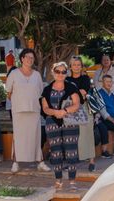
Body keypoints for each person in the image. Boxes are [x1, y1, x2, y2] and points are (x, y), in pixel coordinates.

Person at [6, 48, 49, 174]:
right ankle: (16, 162)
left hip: (34, 110)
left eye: (32, 57)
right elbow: (8, 92)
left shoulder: (37, 75)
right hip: (18, 111)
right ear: (22, 59)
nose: (30, 60)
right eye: (27, 57)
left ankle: (40, 162)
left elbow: (41, 93)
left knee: (36, 136)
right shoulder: (13, 74)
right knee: (19, 137)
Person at [40, 62, 81, 190]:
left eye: (64, 72)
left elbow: (76, 104)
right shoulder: (47, 89)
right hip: (52, 122)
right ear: (53, 72)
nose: (61, 74)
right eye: (58, 71)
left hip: (70, 122)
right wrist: (55, 112)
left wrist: (65, 111)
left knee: (71, 152)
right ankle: (58, 181)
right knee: (55, 152)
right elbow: (45, 108)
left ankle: (72, 182)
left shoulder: (72, 86)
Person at [67, 55, 96, 166]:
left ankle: (91, 161)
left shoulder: (85, 78)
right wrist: (77, 92)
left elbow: (83, 94)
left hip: (84, 108)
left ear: (81, 66)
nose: (76, 67)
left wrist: (74, 93)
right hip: (71, 108)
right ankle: (72, 160)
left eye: (78, 65)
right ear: (70, 66)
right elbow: (70, 94)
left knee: (88, 134)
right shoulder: (67, 79)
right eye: (74, 65)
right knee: (72, 135)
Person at [86, 85, 113, 167]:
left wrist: (96, 119)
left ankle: (104, 151)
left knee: (103, 128)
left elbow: (98, 109)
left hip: (95, 119)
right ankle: (87, 154)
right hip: (84, 121)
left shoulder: (93, 95)